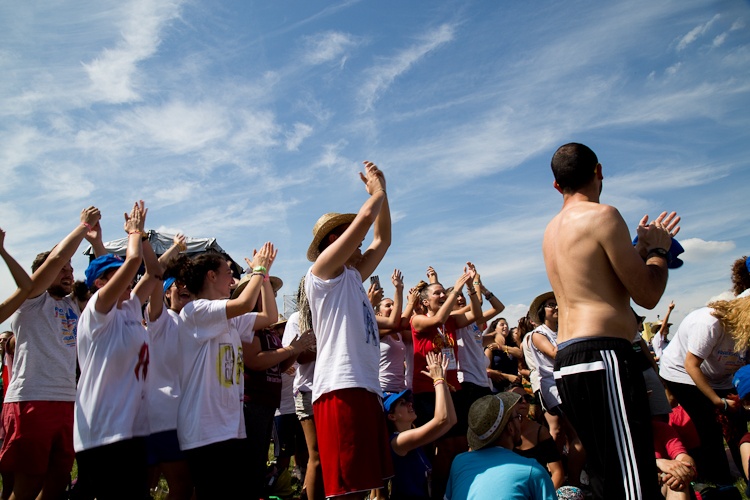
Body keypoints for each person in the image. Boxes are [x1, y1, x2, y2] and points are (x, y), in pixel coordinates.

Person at [543, 142, 680, 499]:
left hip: (569, 359)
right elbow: (647, 294)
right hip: (603, 356)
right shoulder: (603, 215)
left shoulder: (551, 231)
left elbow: (599, 281)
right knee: (634, 479)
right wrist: (659, 250)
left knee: (607, 473)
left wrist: (639, 249)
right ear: (599, 171)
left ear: (557, 185)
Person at [0, 207, 102, 500]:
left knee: (58, 481)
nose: (69, 273)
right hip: (32, 398)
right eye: (62, 270)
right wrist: (83, 227)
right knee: (27, 485)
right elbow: (56, 257)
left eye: (71, 269)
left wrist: (97, 243)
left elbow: (106, 281)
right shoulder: (31, 300)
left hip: (67, 401)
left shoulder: (74, 305)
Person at [304, 161, 392, 499]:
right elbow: (367, 219)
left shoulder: (353, 276)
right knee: (348, 492)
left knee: (367, 485)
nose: (361, 243)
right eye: (352, 237)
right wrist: (376, 192)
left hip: (364, 386)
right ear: (335, 241)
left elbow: (382, 239)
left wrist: (385, 193)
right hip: (341, 388)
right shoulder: (321, 273)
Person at [173, 242, 278, 499]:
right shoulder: (196, 311)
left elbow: (270, 317)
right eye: (228, 273)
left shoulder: (228, 316)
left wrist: (264, 277)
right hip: (205, 430)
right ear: (211, 276)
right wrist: (258, 270)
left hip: (230, 427)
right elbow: (244, 303)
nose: (232, 279)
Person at [74, 201, 162, 499]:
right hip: (103, 430)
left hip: (130, 428)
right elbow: (134, 261)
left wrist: (144, 238)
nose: (127, 277)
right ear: (100, 283)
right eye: (116, 273)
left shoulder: (130, 307)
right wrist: (133, 233)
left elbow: (154, 273)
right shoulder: (97, 311)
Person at [659, 296, 750, 485]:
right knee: (709, 426)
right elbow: (691, 365)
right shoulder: (710, 323)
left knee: (737, 423)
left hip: (719, 376)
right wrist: (717, 401)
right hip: (682, 373)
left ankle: (745, 471)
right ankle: (719, 479)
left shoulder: (744, 334)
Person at [144, 234, 193, 500]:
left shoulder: (193, 323)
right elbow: (154, 274)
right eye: (177, 284)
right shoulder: (161, 319)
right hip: (163, 415)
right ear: (166, 291)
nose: (183, 288)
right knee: (181, 485)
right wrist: (174, 249)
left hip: (184, 416)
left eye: (188, 285)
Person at [445, 392, 556, 500]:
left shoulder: (459, 462)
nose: (520, 421)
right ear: (510, 428)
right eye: (517, 417)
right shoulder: (532, 470)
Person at [384, 352, 456, 500]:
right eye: (402, 404)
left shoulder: (411, 437)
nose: (410, 404)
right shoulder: (398, 441)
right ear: (392, 416)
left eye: (408, 401)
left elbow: (450, 420)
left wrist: (444, 383)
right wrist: (438, 381)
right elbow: (441, 419)